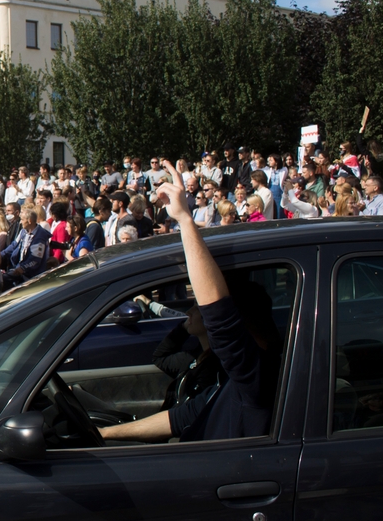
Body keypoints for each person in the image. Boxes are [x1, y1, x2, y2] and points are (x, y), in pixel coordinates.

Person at [101, 160, 283, 443]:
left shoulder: (256, 377)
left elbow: (219, 314)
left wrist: (184, 219)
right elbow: (180, 418)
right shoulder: (229, 381)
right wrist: (104, 434)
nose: (195, 311)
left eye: (201, 309)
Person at [0, 204, 50, 287]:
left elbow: (35, 260)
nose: (20, 222)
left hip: (32, 274)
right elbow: (14, 245)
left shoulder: (40, 237)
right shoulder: (23, 231)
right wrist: (1, 255)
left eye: (22, 220)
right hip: (20, 267)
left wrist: (22, 268)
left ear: (29, 221)